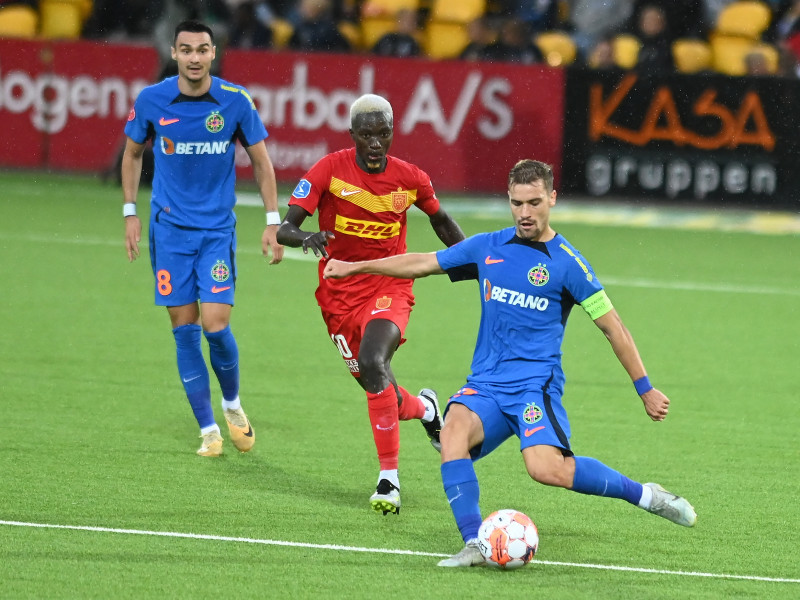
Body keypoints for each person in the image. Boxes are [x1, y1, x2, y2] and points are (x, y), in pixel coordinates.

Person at [323, 159, 697, 565]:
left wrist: (644, 388)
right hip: (485, 384)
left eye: (534, 202)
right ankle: (474, 543)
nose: (525, 213)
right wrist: (356, 266)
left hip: (533, 387)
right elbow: (422, 262)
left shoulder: (568, 262)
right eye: (517, 203)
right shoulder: (489, 247)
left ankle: (645, 495)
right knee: (451, 436)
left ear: (552, 199)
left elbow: (613, 327)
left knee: (546, 469)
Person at [276, 93, 465, 515]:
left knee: (374, 361)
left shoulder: (411, 177)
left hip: (390, 283)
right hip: (338, 293)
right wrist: (306, 237)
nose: (376, 143)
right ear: (353, 136)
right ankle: (427, 409)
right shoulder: (328, 169)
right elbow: (285, 228)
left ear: (392, 133)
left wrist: (475, 259)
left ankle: (389, 480)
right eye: (367, 135)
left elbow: (440, 221)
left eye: (384, 134)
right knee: (377, 387)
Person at [121, 19, 284, 457]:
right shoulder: (152, 100)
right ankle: (208, 430)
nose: (195, 57)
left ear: (214, 53)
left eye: (203, 49)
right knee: (184, 329)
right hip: (169, 232)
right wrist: (130, 211)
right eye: (187, 49)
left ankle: (231, 404)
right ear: (174, 54)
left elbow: (262, 163)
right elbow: (133, 154)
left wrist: (273, 220)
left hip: (215, 231)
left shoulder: (234, 101)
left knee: (215, 325)